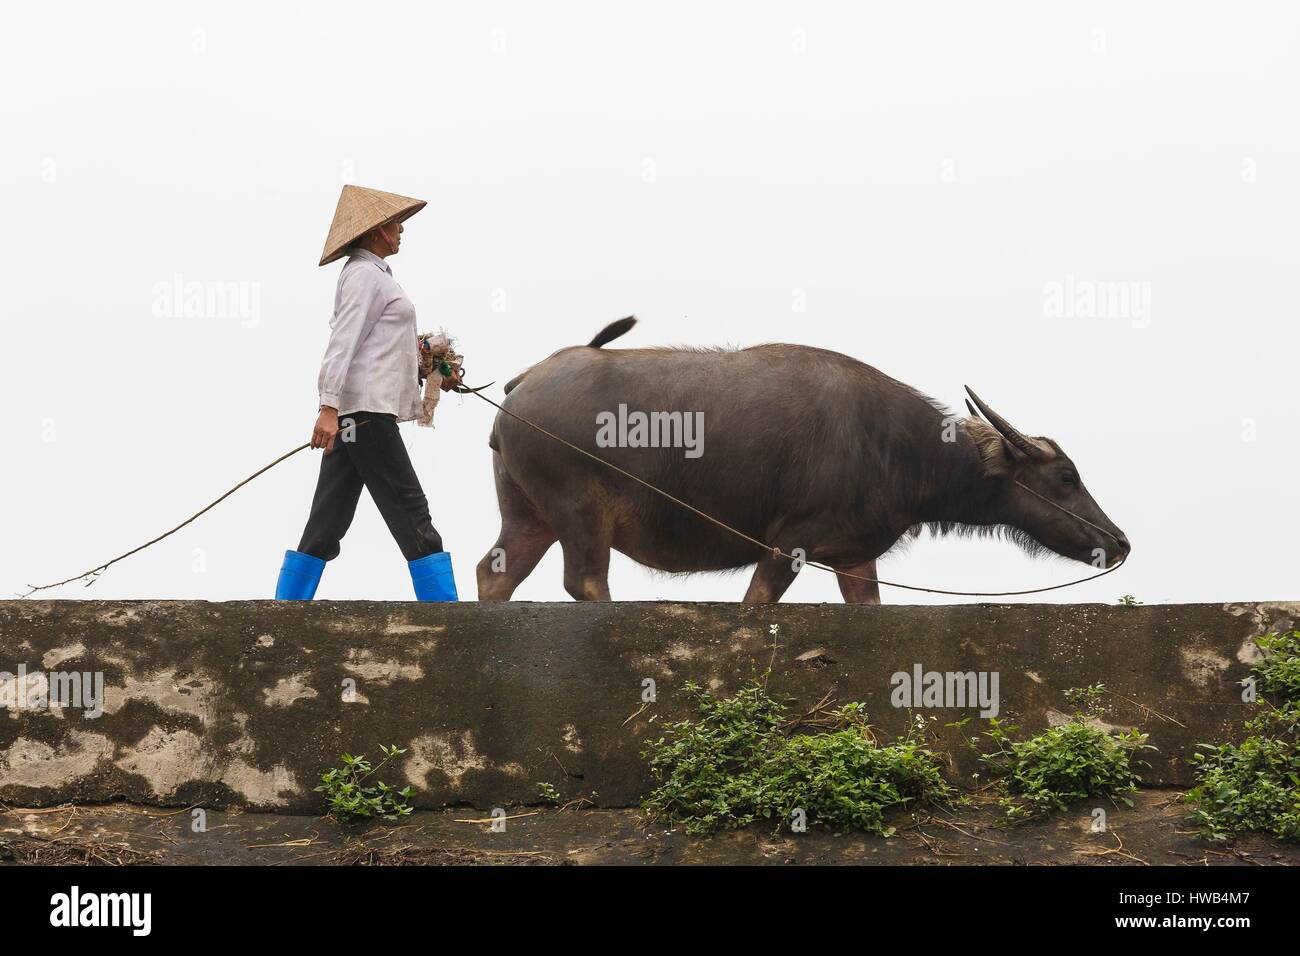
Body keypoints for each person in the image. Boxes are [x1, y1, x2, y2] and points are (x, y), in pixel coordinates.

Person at [274, 185, 458, 601]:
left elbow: (377, 350)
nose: (401, 230)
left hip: (356, 419)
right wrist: (327, 407)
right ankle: (450, 620)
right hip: (366, 418)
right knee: (414, 516)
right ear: (377, 230)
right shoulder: (362, 275)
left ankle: (284, 615)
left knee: (326, 525)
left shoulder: (374, 275)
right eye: (397, 224)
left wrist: (429, 367)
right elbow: (344, 342)